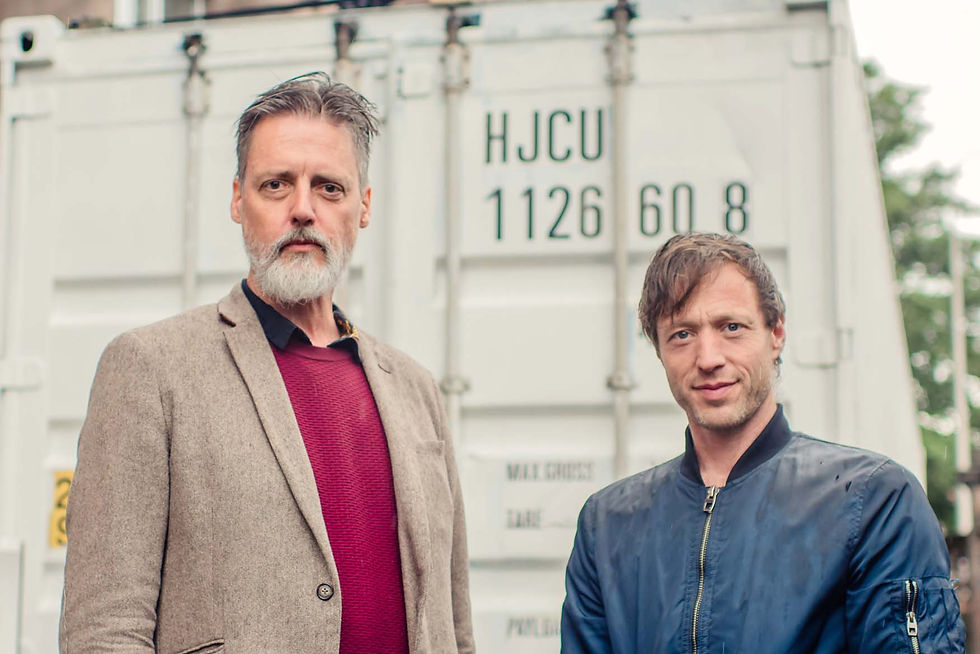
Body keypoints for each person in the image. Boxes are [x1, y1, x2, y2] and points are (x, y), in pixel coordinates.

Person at [60, 72, 474, 653]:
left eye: (329, 188)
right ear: (237, 199)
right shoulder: (150, 369)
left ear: (364, 208)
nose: (302, 209)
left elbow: (454, 629)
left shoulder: (417, 390)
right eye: (276, 185)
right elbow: (104, 630)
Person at [561, 232, 964, 653]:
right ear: (659, 350)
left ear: (776, 334)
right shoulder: (605, 525)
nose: (708, 357)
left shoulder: (875, 500)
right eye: (682, 334)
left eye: (731, 327)